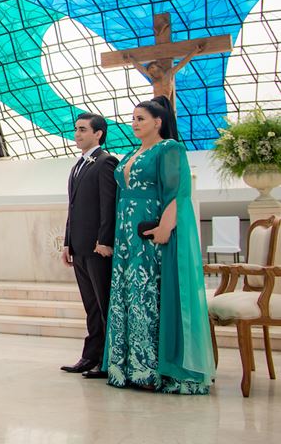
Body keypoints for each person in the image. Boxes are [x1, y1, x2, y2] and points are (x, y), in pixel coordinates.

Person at [103, 96, 215, 394]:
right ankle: (127, 367)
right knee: (130, 294)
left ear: (158, 122)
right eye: (133, 119)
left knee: (149, 293)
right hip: (125, 236)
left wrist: (165, 226)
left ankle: (154, 368)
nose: (135, 123)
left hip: (150, 232)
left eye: (141, 118)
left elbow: (178, 191)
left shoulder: (170, 148)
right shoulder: (131, 153)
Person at [60, 113, 118, 379]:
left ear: (98, 134)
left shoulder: (106, 162)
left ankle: (108, 360)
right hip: (79, 247)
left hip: (97, 248)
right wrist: (67, 243)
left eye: (83, 130)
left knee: (103, 302)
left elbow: (108, 206)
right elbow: (72, 208)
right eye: (76, 129)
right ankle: (90, 356)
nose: (77, 134)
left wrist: (105, 240)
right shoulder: (78, 165)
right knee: (91, 305)